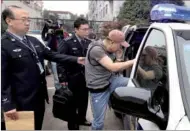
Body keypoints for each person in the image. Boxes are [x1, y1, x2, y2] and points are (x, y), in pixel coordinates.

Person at [1, 6, 85, 130]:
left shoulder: (32, 40)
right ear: (9, 21)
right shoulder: (4, 45)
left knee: (37, 127)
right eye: (24, 19)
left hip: (38, 98)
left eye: (28, 19)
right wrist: (8, 105)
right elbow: (2, 78)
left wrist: (76, 59)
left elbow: (52, 55)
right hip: (20, 103)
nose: (28, 23)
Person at [85, 29, 135, 130]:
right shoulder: (97, 49)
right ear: (111, 42)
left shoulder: (111, 49)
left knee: (133, 83)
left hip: (110, 81)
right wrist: (134, 61)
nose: (120, 47)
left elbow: (114, 67)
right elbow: (112, 67)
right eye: (120, 45)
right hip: (99, 89)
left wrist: (119, 58)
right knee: (98, 122)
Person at [57, 17, 92, 130]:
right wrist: (62, 79)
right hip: (71, 77)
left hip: (85, 78)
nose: (87, 31)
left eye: (88, 29)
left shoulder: (89, 42)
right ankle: (72, 124)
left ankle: (82, 118)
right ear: (76, 29)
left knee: (84, 100)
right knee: (72, 103)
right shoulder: (67, 42)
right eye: (84, 29)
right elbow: (60, 60)